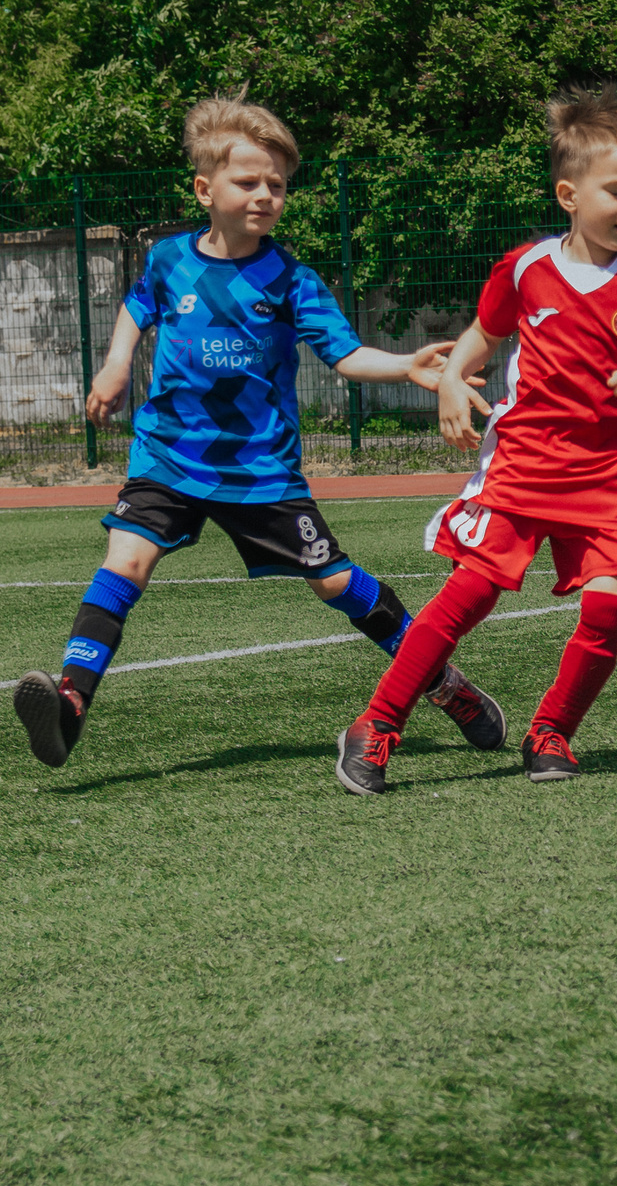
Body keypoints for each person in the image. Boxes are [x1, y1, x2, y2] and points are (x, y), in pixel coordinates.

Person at [13, 97, 495, 770]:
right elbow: (135, 307)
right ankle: (69, 705)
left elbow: (344, 353)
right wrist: (117, 361)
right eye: (249, 181)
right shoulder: (168, 260)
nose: (266, 194)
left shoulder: (290, 279)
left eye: (277, 184)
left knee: (333, 582)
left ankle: (443, 682)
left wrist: (406, 364)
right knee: (123, 563)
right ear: (205, 190)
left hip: (259, 471)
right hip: (168, 457)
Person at [333, 84, 617, 793]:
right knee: (470, 592)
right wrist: (451, 381)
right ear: (569, 194)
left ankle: (551, 733)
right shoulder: (528, 268)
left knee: (613, 600)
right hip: (522, 466)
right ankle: (376, 724)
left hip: (605, 478)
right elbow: (483, 335)